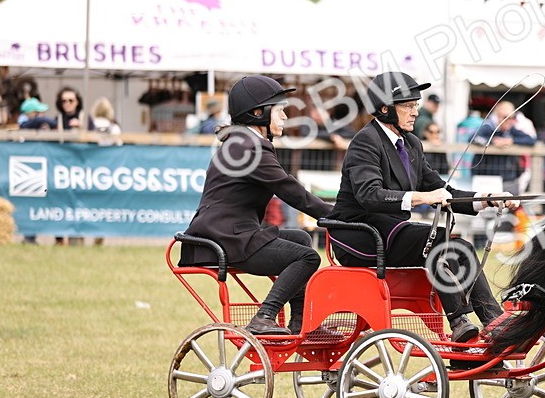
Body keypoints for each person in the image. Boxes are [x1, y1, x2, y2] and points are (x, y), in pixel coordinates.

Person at [325, 71, 518, 343]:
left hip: (392, 232)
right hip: (360, 236)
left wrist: (487, 198)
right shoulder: (365, 141)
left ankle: (493, 320)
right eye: (408, 105)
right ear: (385, 109)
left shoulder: (412, 143)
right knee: (436, 237)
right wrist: (421, 197)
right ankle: (459, 320)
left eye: (416, 104)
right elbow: (370, 195)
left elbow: (442, 190)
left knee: (460, 246)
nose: (415, 111)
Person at [179, 75, 333, 336]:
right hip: (226, 237)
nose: (285, 117)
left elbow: (289, 188)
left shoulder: (243, 142)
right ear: (258, 113)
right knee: (307, 256)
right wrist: (337, 216)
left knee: (302, 239)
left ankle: (300, 322)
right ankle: (264, 317)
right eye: (280, 110)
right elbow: (290, 190)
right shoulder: (249, 148)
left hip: (229, 232)